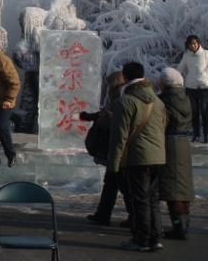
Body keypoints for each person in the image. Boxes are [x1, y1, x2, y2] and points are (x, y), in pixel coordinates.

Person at [108, 62, 166, 252]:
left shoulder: (126, 102)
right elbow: (163, 126)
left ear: (125, 77)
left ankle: (141, 239)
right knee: (153, 198)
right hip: (158, 156)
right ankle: (155, 237)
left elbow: (119, 136)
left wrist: (114, 164)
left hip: (138, 157)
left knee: (139, 198)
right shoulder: (158, 101)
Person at [82, 71, 132, 227]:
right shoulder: (119, 96)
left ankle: (131, 216)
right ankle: (104, 214)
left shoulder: (121, 97)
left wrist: (98, 117)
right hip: (117, 147)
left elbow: (114, 119)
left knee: (120, 184)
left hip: (119, 148)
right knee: (112, 183)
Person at [157, 67, 194, 240]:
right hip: (184, 144)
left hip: (170, 144)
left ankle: (178, 227)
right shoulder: (185, 98)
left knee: (172, 186)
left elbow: (161, 123)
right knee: (183, 186)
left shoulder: (165, 100)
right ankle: (184, 224)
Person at [177, 35, 208, 142]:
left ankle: (206, 135)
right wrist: (174, 78)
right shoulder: (186, 56)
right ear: (188, 45)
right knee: (194, 112)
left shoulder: (205, 54)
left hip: (204, 87)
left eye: (195, 43)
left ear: (198, 43)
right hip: (191, 87)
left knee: (204, 111)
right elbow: (180, 68)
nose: (193, 45)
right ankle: (196, 134)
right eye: (191, 44)